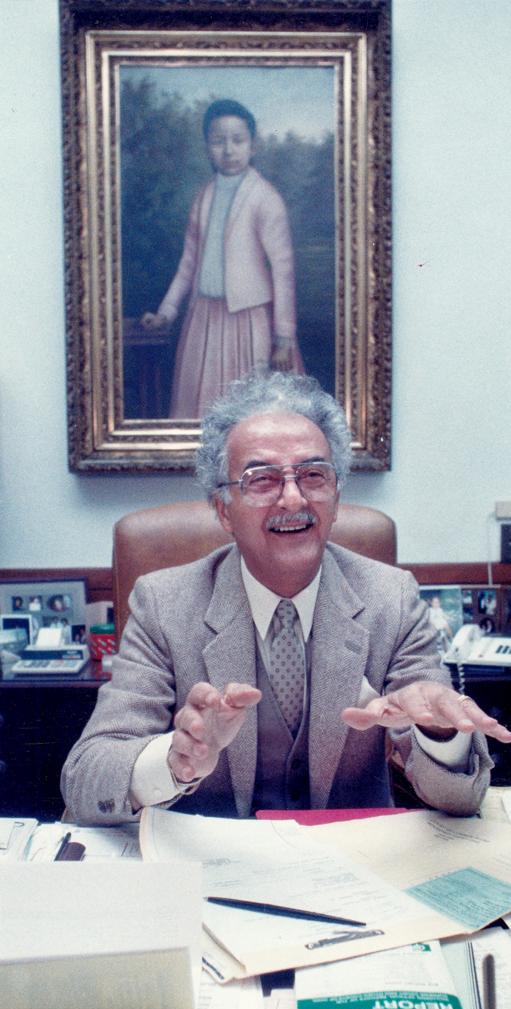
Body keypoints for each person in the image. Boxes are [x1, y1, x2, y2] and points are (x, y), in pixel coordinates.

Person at [61, 373, 510, 825]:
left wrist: (437, 733)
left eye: (313, 475)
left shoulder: (390, 600)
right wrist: (174, 762)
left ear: (335, 498)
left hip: (351, 858)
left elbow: (461, 798)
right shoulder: (164, 605)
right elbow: (86, 779)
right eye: (262, 479)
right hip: (212, 857)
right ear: (224, 510)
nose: (293, 499)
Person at [141, 99, 304, 419]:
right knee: (198, 412)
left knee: (254, 416)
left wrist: (284, 337)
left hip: (250, 322)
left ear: (253, 146)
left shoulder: (265, 197)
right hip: (203, 322)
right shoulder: (203, 197)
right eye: (218, 141)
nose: (228, 150)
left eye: (238, 140)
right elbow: (188, 264)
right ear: (207, 147)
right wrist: (166, 313)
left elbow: (282, 269)